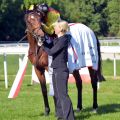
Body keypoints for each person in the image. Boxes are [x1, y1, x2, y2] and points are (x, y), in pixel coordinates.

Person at [42, 21, 75, 120]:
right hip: (56, 69)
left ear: (61, 29)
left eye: (55, 27)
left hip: (61, 70)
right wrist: (42, 41)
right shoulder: (57, 39)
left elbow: (51, 52)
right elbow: (49, 46)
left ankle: (69, 118)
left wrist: (42, 46)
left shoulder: (63, 40)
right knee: (57, 95)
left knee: (63, 95)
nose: (54, 29)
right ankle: (60, 116)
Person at [28, 3, 61, 96]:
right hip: (43, 24)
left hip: (54, 27)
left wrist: (42, 26)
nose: (41, 15)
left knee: (53, 37)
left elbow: (51, 31)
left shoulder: (52, 15)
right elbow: (30, 14)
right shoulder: (36, 10)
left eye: (42, 14)